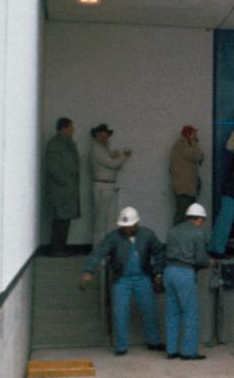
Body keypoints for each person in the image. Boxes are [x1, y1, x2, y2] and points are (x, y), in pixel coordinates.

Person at [81, 206, 165, 356]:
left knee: (150, 310)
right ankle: (121, 346)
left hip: (143, 277)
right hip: (122, 279)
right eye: (124, 226)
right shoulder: (113, 237)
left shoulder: (148, 234)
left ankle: (154, 341)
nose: (126, 229)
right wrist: (89, 270)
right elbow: (99, 252)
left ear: (136, 224)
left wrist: (158, 272)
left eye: (130, 226)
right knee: (120, 312)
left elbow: (159, 252)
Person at [163, 202, 211, 360]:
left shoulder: (172, 231)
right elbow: (200, 259)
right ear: (199, 219)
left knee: (172, 313)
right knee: (190, 313)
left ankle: (171, 351)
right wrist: (209, 263)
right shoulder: (198, 233)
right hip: (184, 273)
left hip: (169, 272)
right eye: (202, 220)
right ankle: (188, 352)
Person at [44, 117, 80, 256]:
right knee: (60, 219)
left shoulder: (68, 143)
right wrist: (64, 181)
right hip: (60, 189)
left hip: (67, 189)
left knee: (65, 219)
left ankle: (61, 248)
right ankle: (57, 249)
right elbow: (52, 166)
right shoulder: (55, 144)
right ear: (63, 128)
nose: (73, 130)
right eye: (71, 127)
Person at [89, 123, 131, 243]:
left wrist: (117, 158)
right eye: (102, 135)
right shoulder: (97, 150)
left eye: (106, 135)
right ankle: (99, 248)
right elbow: (113, 164)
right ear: (97, 136)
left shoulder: (105, 149)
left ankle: (106, 248)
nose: (105, 137)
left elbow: (115, 166)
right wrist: (123, 156)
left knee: (109, 220)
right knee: (101, 220)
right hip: (102, 186)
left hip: (108, 186)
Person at [170, 125, 203, 225]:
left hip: (185, 187)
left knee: (186, 214)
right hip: (184, 187)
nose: (196, 135)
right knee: (182, 214)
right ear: (189, 134)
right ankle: (176, 234)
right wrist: (195, 142)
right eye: (194, 133)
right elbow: (197, 156)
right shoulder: (182, 145)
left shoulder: (181, 145)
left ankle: (179, 233)